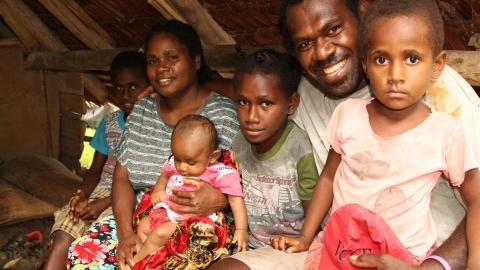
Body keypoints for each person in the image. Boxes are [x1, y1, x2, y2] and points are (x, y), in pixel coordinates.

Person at [272, 1, 480, 269]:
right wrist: (304, 236)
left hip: (406, 259)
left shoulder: (445, 131)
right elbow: (328, 177)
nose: (395, 75)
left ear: (437, 64)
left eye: (412, 59)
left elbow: (477, 199)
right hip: (340, 250)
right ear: (367, 64)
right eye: (381, 59)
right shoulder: (348, 115)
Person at [66, 20, 239, 270]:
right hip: (142, 220)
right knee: (84, 255)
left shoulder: (222, 114)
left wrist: (220, 199)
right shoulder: (142, 110)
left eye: (172, 58)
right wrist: (126, 236)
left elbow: (239, 181)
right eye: (153, 61)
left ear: (196, 61)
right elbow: (122, 178)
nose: (162, 69)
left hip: (197, 226)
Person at [211, 49, 318, 269]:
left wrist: (304, 240)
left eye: (266, 104)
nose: (251, 117)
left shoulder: (298, 147)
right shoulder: (239, 144)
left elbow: (314, 213)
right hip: (250, 247)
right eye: (243, 102)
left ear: (291, 104)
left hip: (293, 249)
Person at [43, 51, 148, 270]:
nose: (126, 95)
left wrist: (104, 203)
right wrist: (81, 195)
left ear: (149, 86)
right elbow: (94, 170)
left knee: (91, 242)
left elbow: (146, 183)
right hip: (101, 190)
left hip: (133, 196)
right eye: (119, 88)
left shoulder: (153, 125)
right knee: (63, 235)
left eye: (133, 87)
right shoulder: (109, 124)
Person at [132, 114, 248, 265]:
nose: (182, 167)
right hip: (170, 212)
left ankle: (136, 263)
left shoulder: (220, 173)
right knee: (144, 226)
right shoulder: (177, 163)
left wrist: (241, 230)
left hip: (195, 222)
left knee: (159, 234)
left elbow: (236, 201)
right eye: (178, 159)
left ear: (213, 156)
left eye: (191, 162)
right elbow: (165, 174)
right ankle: (154, 256)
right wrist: (159, 189)